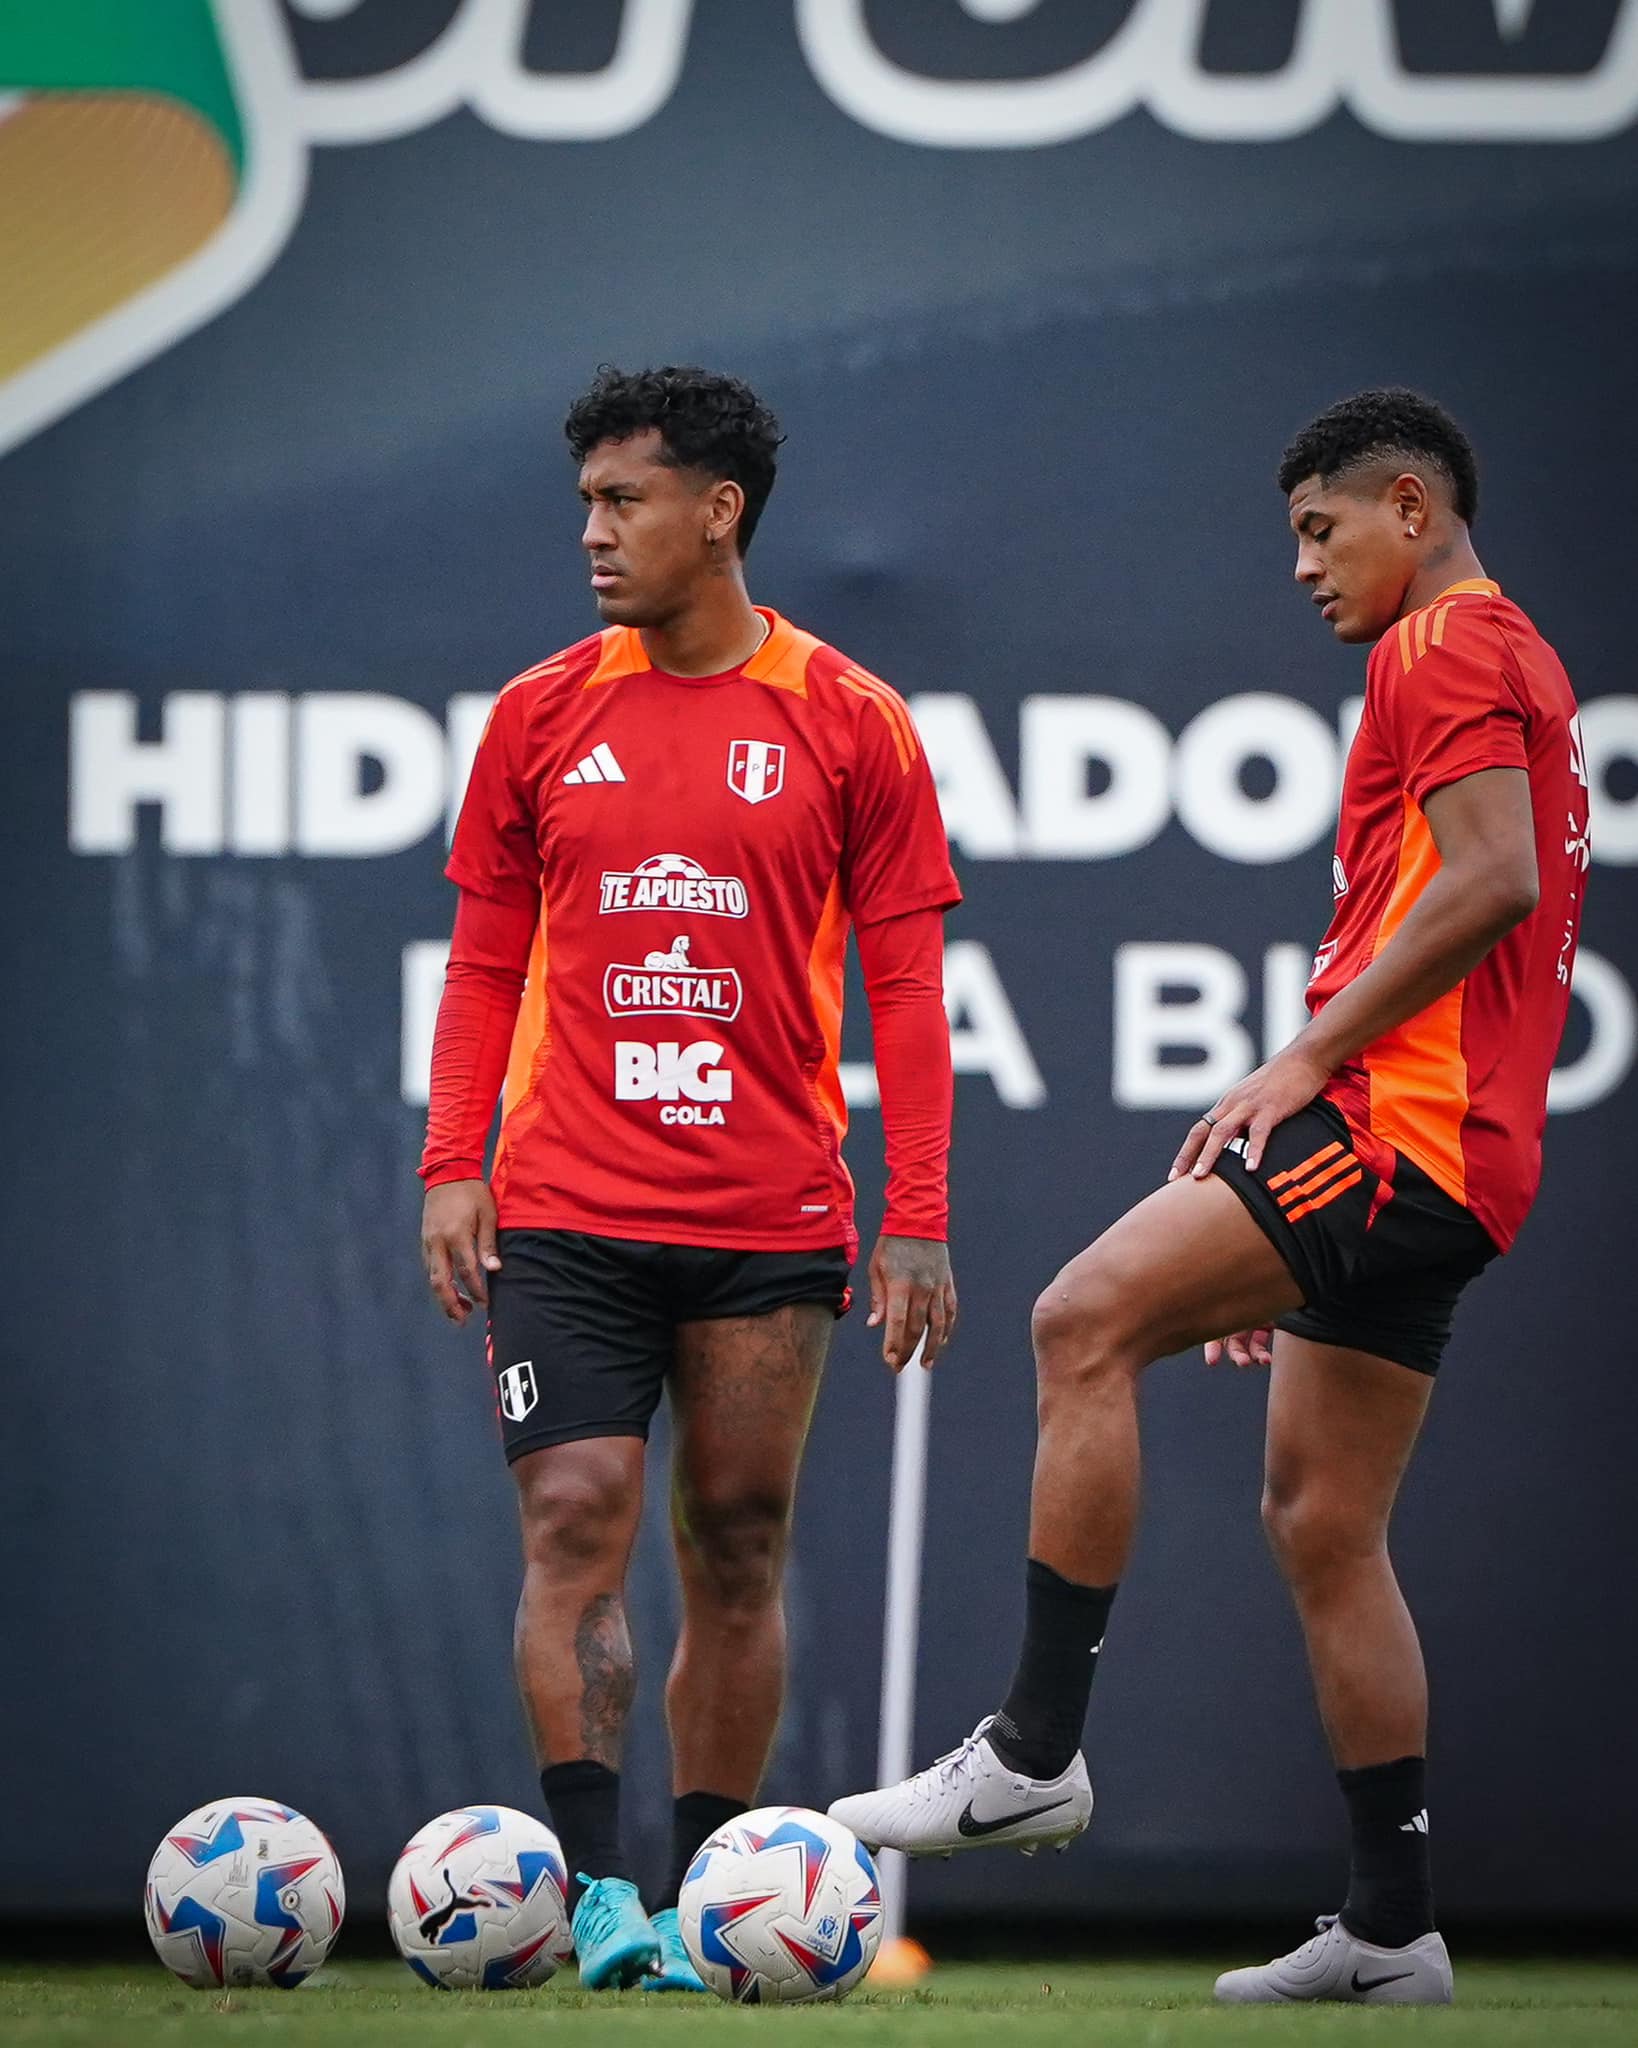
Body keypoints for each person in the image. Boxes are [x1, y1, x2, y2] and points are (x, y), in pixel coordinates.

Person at [829, 389, 1588, 2006]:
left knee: (1081, 1319)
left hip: (1398, 1128)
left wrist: (1302, 1060)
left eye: (1320, 530)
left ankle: (1031, 1752)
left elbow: (1492, 877)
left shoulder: (1445, 642)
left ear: (1407, 506)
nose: (1302, 567)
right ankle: (1391, 1927)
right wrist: (1276, 1253)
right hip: (1467, 1158)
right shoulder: (1507, 649)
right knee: (1322, 1520)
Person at [418, 366, 960, 1991]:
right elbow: (482, 962)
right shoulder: (538, 715)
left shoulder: (849, 718)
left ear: (718, 513)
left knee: (733, 1543)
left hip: (765, 1216)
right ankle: (598, 1899)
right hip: (565, 1207)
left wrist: (918, 1214)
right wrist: (452, 1164)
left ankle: (706, 1901)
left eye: (623, 500)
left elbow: (907, 987)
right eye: (584, 502)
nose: (591, 532)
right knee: (574, 1517)